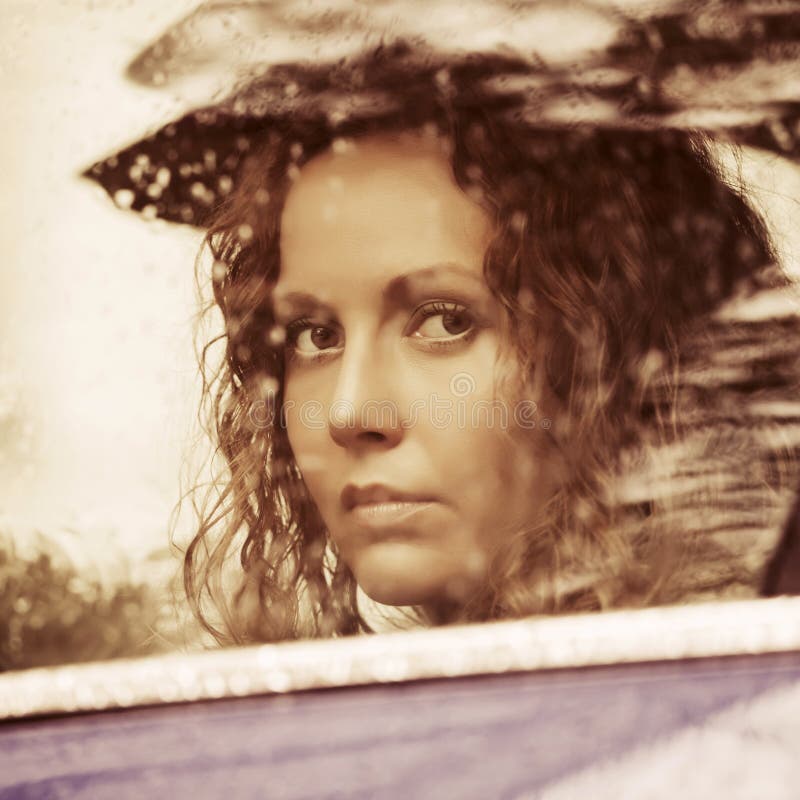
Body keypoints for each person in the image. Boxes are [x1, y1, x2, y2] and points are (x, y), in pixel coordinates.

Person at [158, 44, 800, 644]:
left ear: (619, 356)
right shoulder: (344, 721)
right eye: (314, 336)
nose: (350, 414)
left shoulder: (738, 704)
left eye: (444, 321)